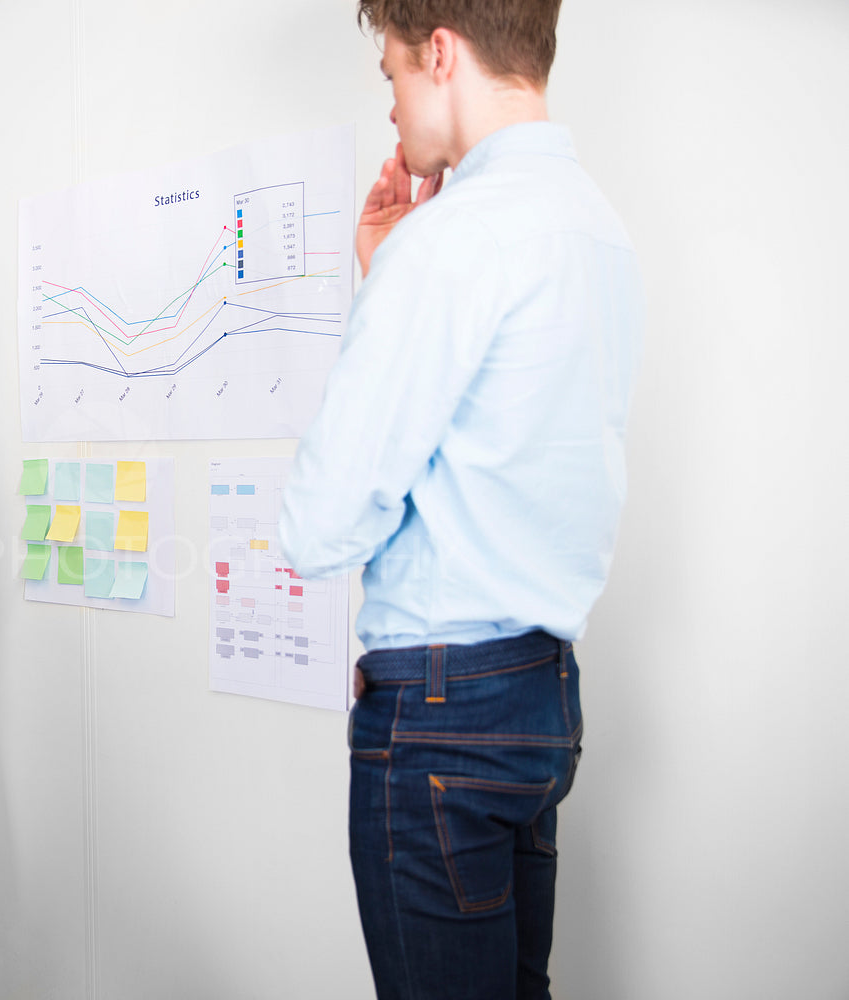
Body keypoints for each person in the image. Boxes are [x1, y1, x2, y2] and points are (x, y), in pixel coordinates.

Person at [280, 1, 643, 997]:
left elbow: (318, 527)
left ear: (441, 53)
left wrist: (390, 274)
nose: (390, 100)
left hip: (440, 716)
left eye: (392, 69)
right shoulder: (597, 227)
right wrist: (387, 273)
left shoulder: (447, 245)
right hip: (540, 693)